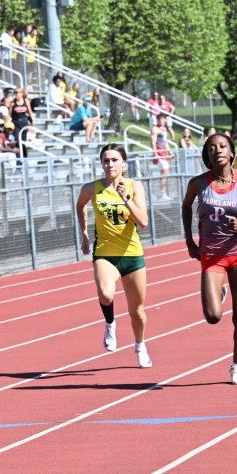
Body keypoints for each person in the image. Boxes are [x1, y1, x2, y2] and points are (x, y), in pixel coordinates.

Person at [181, 133, 237, 385]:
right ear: (207, 155)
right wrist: (190, 242)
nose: (217, 150)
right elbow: (185, 207)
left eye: (222, 146)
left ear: (231, 153)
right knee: (213, 316)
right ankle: (219, 292)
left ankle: (236, 365)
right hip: (212, 256)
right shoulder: (197, 184)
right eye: (212, 148)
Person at [74, 143, 152, 368]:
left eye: (114, 160)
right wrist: (85, 234)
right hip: (105, 253)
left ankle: (140, 345)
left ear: (124, 163)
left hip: (132, 254)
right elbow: (80, 206)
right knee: (106, 294)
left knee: (137, 312)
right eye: (106, 160)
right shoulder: (91, 189)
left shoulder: (134, 186)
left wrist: (126, 199)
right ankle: (110, 323)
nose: (110, 164)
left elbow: (144, 222)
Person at [151, 113, 172, 200]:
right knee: (165, 173)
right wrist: (155, 153)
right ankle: (162, 193)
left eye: (163, 119)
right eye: (159, 119)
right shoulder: (155, 129)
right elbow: (153, 141)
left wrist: (170, 152)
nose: (161, 121)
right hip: (159, 153)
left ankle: (163, 193)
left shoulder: (164, 129)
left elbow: (165, 142)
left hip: (164, 153)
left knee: (165, 174)